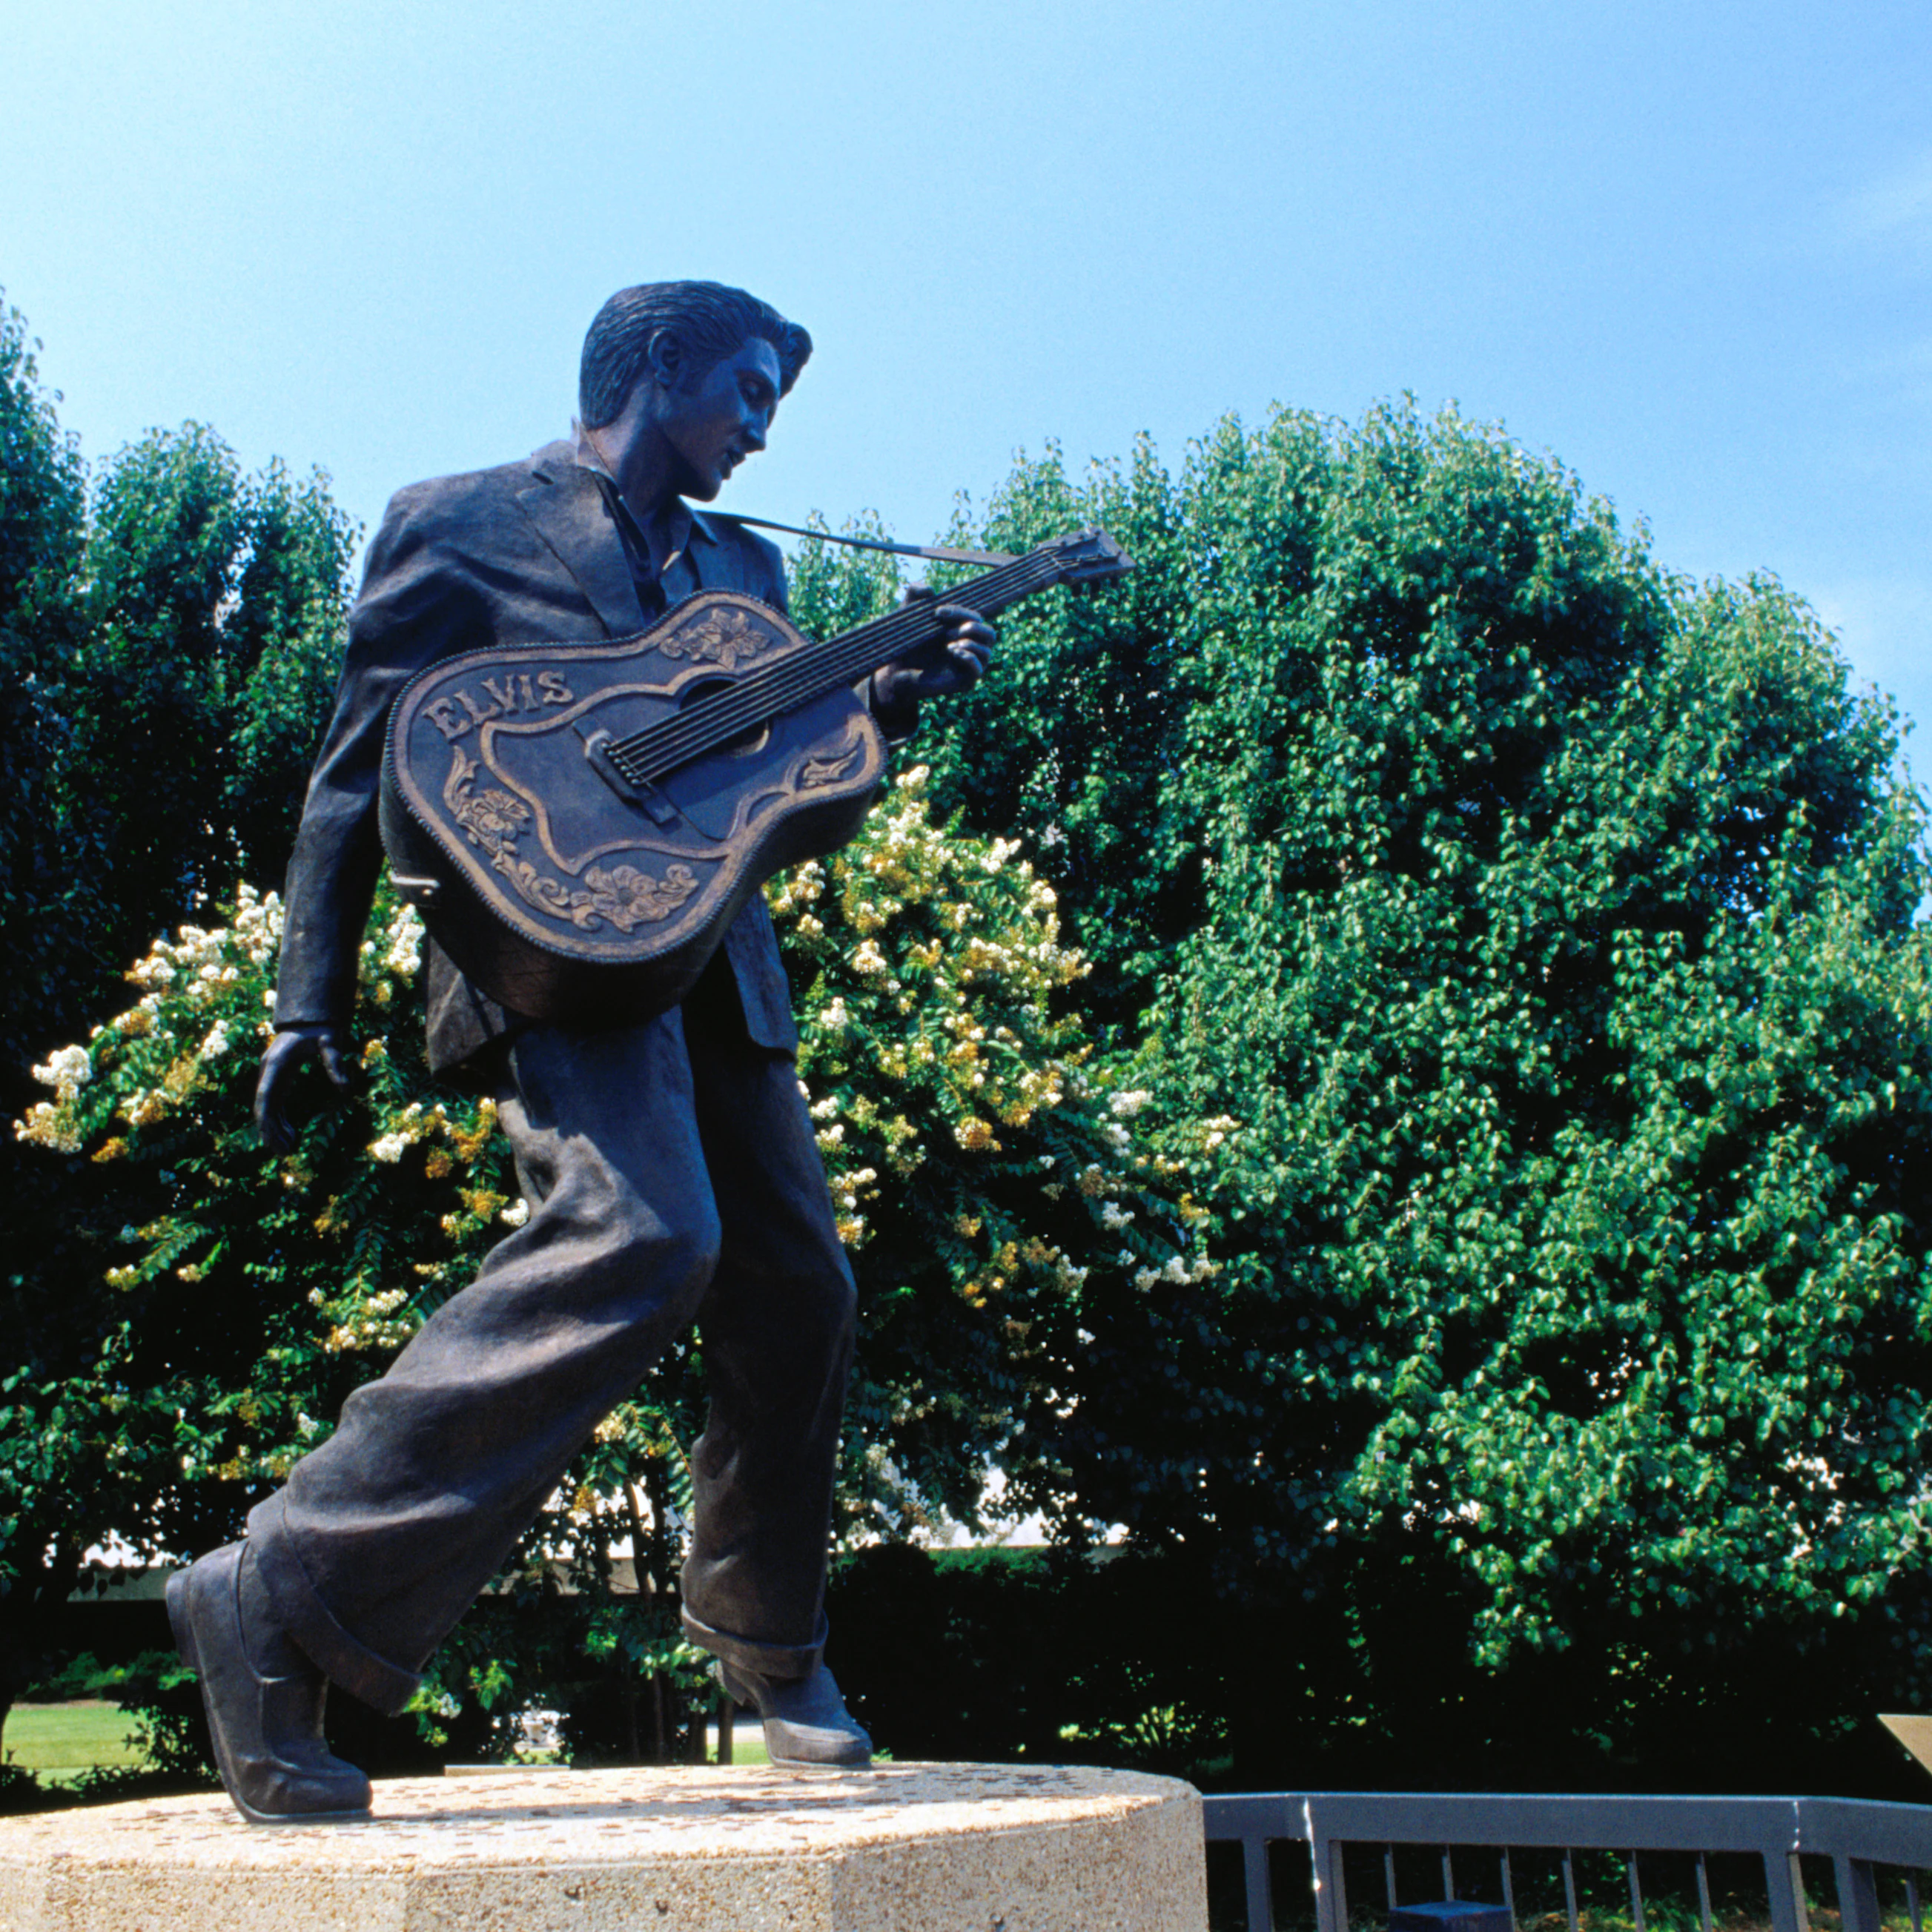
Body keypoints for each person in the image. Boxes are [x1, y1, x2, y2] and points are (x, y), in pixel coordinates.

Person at [165, 281, 996, 1825]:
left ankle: (771, 1644)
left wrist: (881, 695)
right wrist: (305, 1000)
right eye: (750, 391)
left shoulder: (746, 569)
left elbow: (774, 766)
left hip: (714, 957)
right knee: (643, 1231)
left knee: (798, 1287)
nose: (762, 433)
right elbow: (355, 770)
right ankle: (275, 1588)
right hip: (548, 940)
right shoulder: (459, 521)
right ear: (660, 364)